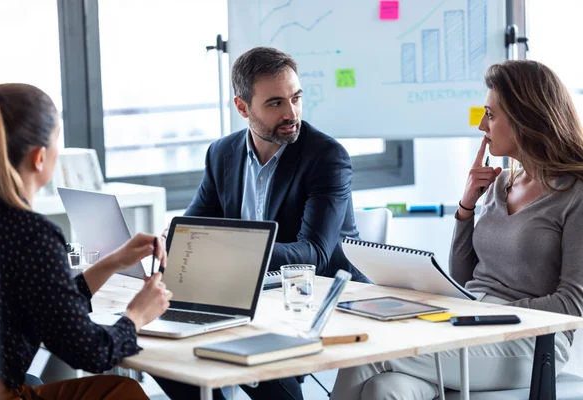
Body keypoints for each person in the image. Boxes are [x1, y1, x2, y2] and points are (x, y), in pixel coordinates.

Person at [330, 59, 583, 399]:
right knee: (384, 389)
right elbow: (464, 277)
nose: (481, 125)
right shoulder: (501, 183)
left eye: (490, 115)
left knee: (367, 357)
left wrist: (489, 311)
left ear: (526, 119)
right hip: (469, 319)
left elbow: (572, 304)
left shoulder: (575, 194)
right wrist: (466, 207)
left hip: (530, 341)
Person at [155, 46, 365, 400]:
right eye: (275, 103)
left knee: (248, 357)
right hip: (251, 295)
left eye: (295, 98)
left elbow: (315, 254)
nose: (291, 113)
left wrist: (234, 253)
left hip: (313, 298)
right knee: (161, 352)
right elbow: (195, 227)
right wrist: (169, 239)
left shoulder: (325, 156)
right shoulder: (222, 153)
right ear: (242, 107)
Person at [0, 83, 173, 400]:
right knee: (122, 394)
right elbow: (90, 352)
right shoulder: (29, 233)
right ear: (39, 157)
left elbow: (53, 309)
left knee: (119, 388)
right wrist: (137, 314)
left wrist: (113, 262)